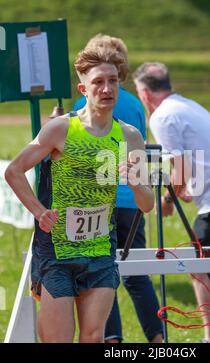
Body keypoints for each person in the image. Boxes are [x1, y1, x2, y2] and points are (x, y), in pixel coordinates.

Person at [5, 44, 154, 343]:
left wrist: (136, 183)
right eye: (98, 82)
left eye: (112, 81)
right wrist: (39, 211)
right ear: (83, 88)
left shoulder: (129, 136)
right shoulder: (61, 129)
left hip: (99, 250)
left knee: (93, 336)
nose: (107, 88)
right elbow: (14, 171)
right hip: (57, 252)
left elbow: (147, 204)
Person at [132, 62, 210, 343]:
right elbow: (195, 162)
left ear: (144, 94)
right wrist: (188, 185)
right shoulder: (186, 104)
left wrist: (168, 198)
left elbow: (181, 166)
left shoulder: (162, 116)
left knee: (198, 267)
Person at [72, 34, 163, 343]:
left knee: (102, 274)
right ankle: (157, 339)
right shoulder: (135, 103)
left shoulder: (82, 102)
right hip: (132, 201)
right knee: (137, 275)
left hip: (100, 202)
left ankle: (112, 339)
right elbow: (141, 144)